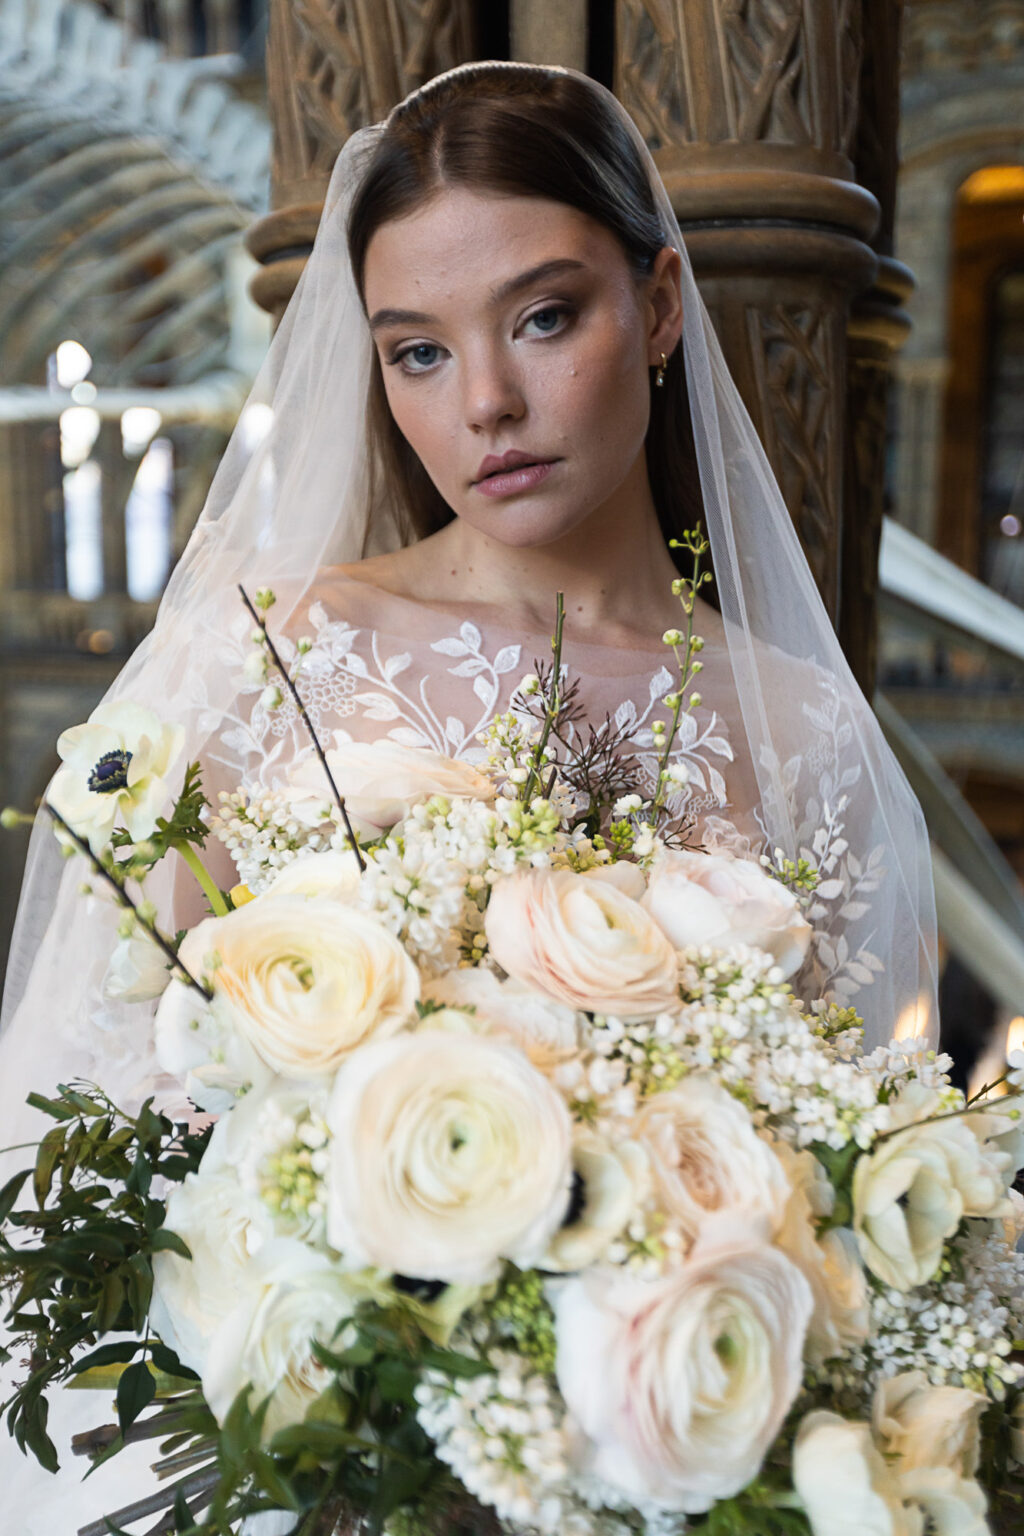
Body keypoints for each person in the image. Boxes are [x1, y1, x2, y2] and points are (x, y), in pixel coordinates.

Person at [0, 60, 938, 1533]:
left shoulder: (800, 728)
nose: (488, 402)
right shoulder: (268, 657)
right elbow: (125, 1118)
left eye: (546, 317)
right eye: (417, 353)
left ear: (665, 304)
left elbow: (851, 1190)